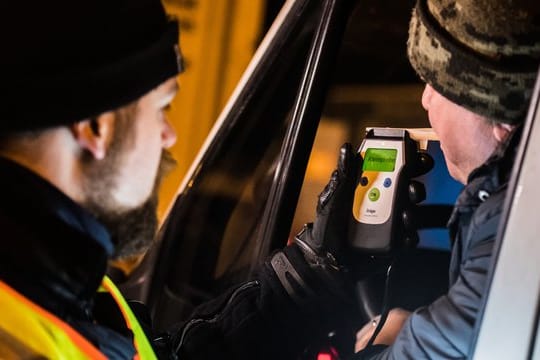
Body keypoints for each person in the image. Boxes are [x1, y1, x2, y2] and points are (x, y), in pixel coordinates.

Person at [0, 0, 362, 359]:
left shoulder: (60, 292)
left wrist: (307, 275)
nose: (168, 136)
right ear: (97, 128)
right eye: (162, 108)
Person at [353, 0, 540, 358]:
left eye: (438, 86)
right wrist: (415, 326)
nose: (425, 100)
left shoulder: (514, 229)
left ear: (499, 116)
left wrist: (385, 340)